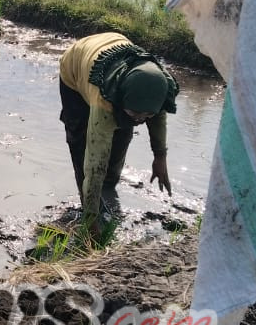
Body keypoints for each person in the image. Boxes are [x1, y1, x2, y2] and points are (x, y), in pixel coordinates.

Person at [59, 32, 179, 226]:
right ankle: (89, 202)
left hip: (116, 52)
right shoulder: (104, 100)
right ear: (121, 100)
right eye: (135, 114)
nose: (141, 120)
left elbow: (157, 118)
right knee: (80, 140)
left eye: (146, 115)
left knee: (122, 135)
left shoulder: (160, 89)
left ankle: (109, 189)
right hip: (76, 67)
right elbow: (95, 163)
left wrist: (160, 157)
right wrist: (90, 219)